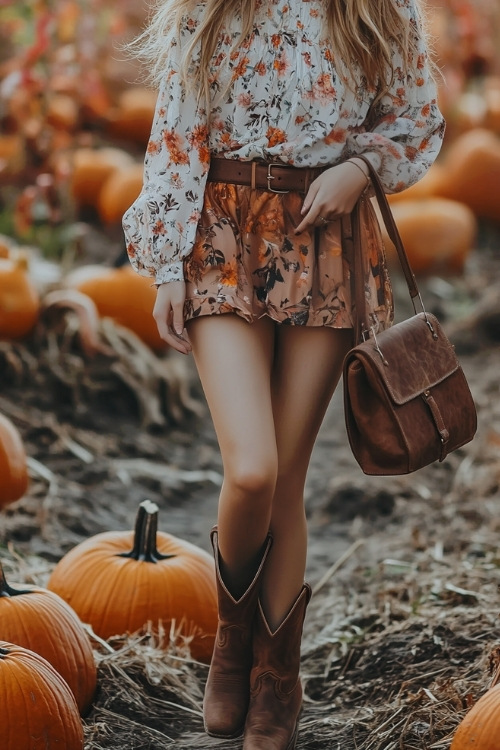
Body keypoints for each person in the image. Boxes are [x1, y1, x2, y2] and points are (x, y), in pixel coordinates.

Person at [123, 1, 444, 747]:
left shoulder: (380, 9)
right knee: (253, 472)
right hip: (221, 234)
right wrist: (166, 264)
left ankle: (276, 676)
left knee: (288, 481)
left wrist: (361, 169)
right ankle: (231, 647)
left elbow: (417, 121)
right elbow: (175, 130)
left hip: (325, 241)